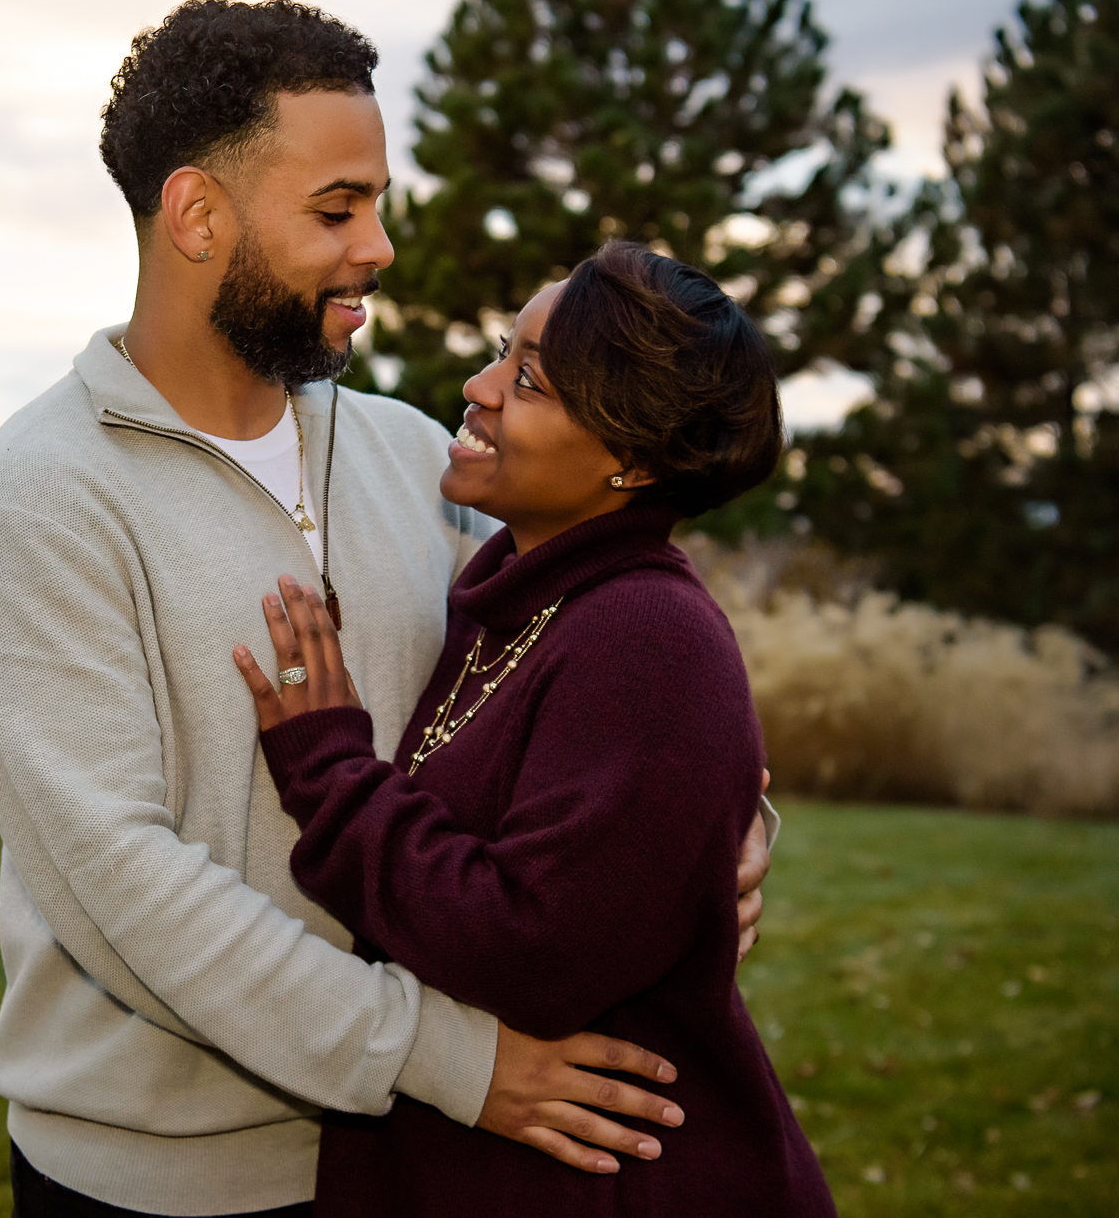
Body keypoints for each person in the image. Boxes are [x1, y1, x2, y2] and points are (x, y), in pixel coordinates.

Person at [0, 0, 774, 1218]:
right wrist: (454, 1062)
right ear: (196, 214)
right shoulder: (37, 505)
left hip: (419, 1173)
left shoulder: (411, 457)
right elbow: (128, 894)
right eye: (336, 210)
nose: (377, 246)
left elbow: (599, 667)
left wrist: (724, 824)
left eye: (377, 201)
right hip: (172, 1186)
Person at [234, 242, 832, 1215]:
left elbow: (530, 950)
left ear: (631, 459)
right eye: (498, 352)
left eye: (528, 380)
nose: (476, 389)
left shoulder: (647, 637)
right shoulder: (509, 593)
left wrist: (329, 772)